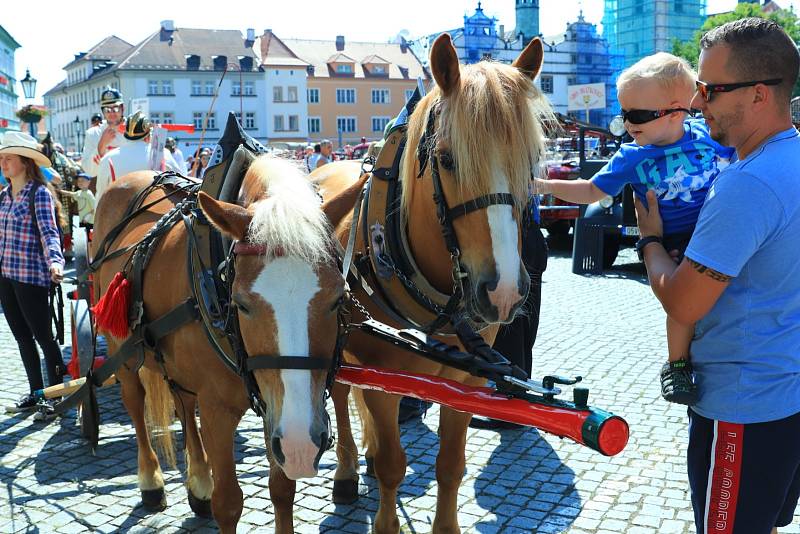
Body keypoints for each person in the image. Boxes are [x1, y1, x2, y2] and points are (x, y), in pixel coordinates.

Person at [635, 18, 800, 534]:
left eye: (709, 89)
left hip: (742, 407)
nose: (698, 103)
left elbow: (684, 304)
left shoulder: (747, 185)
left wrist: (651, 242)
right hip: (787, 395)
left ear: (758, 94)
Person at [535, 52, 735, 406]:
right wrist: (546, 186)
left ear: (675, 111)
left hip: (717, 232)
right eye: (623, 113)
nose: (628, 123)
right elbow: (592, 190)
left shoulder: (707, 134)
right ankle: (676, 364)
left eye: (638, 115)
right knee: (680, 307)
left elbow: (740, 157)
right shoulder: (631, 156)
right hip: (674, 242)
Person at [469, 189, 548, 431]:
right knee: (523, 332)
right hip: (531, 235)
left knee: (509, 332)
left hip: (515, 237)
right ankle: (519, 403)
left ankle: (509, 412)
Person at [0, 132, 66, 420]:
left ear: (25, 162)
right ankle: (36, 392)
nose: (2, 163)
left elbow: (49, 233)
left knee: (44, 338)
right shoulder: (3, 196)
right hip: (6, 276)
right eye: (1, 158)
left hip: (31, 277)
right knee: (22, 338)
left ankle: (54, 395)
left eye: (8, 159)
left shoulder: (39, 193)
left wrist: (55, 262)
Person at [95, 111, 154, 201]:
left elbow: (100, 196)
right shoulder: (163, 154)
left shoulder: (108, 158)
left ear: (125, 135)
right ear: (148, 136)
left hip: (119, 212)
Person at [81, 87, 128, 178]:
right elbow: (89, 171)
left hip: (132, 186)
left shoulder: (133, 130)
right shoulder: (93, 134)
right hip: (106, 188)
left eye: (116, 108)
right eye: (107, 110)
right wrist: (101, 145)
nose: (112, 113)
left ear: (123, 108)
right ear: (103, 112)